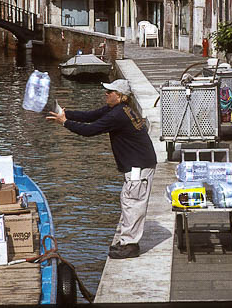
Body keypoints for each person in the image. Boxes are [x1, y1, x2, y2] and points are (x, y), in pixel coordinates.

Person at [46, 79, 157, 259]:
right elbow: (91, 116)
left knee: (133, 203)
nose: (106, 94)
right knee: (128, 200)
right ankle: (125, 241)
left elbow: (90, 130)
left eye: (110, 92)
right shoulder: (118, 109)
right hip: (138, 164)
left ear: (120, 96)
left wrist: (65, 123)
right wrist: (65, 114)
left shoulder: (118, 115)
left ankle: (130, 245)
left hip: (139, 166)